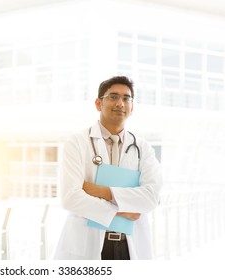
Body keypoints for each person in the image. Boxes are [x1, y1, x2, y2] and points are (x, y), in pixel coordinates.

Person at [53, 76, 162, 260]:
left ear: (132, 107)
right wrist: (121, 211)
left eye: (126, 98)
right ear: (98, 103)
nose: (120, 103)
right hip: (88, 242)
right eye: (113, 97)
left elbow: (151, 197)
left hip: (129, 246)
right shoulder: (77, 143)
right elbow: (70, 198)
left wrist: (100, 191)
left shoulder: (142, 148)